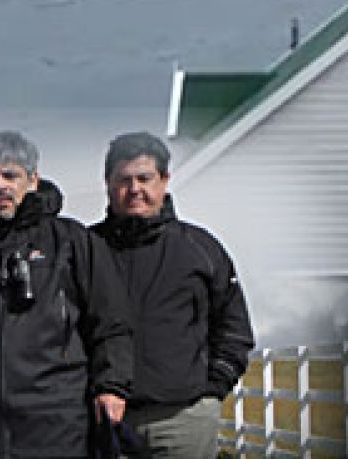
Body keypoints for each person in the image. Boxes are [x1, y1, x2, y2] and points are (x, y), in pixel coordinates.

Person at [0, 130, 133, 457]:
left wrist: (111, 387)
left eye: (11, 176)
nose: (1, 187)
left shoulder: (71, 242)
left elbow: (110, 323)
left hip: (57, 420)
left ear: (33, 179)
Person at [91, 132, 255, 458]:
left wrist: (211, 392)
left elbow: (233, 329)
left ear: (164, 180)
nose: (134, 189)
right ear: (108, 182)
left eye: (144, 178)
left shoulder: (200, 249)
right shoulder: (84, 249)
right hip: (103, 422)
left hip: (183, 420)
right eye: (124, 179)